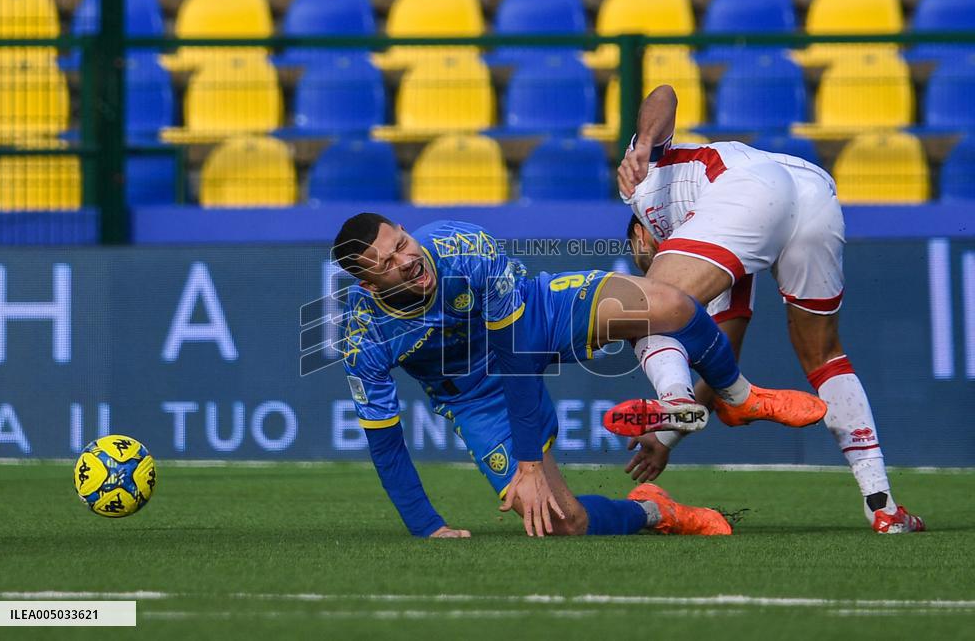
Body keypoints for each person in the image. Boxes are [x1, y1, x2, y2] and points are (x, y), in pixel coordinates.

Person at [331, 214, 825, 537]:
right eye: (389, 262)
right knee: (565, 524)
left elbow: (517, 355)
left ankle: (737, 396)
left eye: (403, 242)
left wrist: (530, 460)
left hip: (535, 316)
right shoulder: (361, 335)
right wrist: (425, 525)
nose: (408, 259)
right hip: (475, 396)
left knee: (671, 304)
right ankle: (656, 511)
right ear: (366, 281)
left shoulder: (463, 247)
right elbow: (385, 441)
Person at [613, 84, 925, 534]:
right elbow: (725, 355)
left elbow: (664, 93)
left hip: (751, 188)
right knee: (824, 356)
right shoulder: (715, 239)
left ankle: (672, 398)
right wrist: (667, 436)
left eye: (646, 257)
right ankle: (882, 505)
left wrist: (641, 145)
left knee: (645, 307)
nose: (657, 263)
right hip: (813, 193)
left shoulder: (641, 190)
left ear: (641, 238)